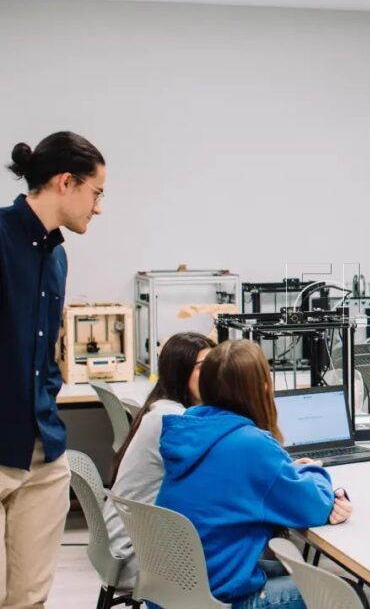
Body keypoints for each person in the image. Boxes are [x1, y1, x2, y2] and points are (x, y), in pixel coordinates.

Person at [156, 340, 353, 608]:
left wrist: (287, 472)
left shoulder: (191, 429)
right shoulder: (251, 445)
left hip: (177, 590)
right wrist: (313, 471)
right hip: (218, 599)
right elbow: (315, 508)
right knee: (345, 594)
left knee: (295, 572)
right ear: (262, 387)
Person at [0, 131, 105, 607]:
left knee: (30, 600)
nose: (98, 207)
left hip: (43, 453)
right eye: (96, 192)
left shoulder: (57, 256)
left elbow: (43, 353)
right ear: (66, 182)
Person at [102, 332, 214, 588]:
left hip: (129, 543)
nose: (213, 374)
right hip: (135, 556)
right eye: (203, 367)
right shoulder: (173, 420)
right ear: (179, 372)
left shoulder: (163, 409)